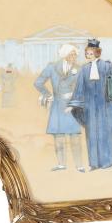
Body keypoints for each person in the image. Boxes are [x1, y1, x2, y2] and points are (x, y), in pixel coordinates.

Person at [68, 39, 112, 170]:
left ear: (97, 53)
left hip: (108, 107)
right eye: (87, 53)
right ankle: (95, 163)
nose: (88, 56)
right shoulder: (84, 70)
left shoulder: (109, 66)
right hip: (90, 108)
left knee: (109, 132)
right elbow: (79, 89)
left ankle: (110, 161)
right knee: (92, 135)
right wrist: (73, 105)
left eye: (90, 53)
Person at [34, 44, 85, 172]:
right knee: (58, 137)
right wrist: (48, 95)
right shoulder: (52, 67)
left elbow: (83, 88)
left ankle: (79, 165)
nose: (74, 56)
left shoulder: (79, 69)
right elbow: (38, 82)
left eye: (75, 54)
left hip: (72, 106)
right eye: (71, 54)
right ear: (64, 54)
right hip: (57, 105)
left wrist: (73, 97)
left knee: (75, 137)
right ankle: (61, 164)